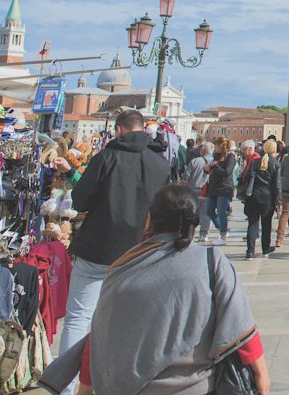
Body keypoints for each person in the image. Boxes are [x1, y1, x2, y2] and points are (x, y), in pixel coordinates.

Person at [42, 183, 270, 395]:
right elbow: (241, 329)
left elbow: (101, 338)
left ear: (149, 220)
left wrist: (84, 389)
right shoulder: (211, 262)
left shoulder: (120, 270)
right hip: (193, 386)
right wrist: (261, 378)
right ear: (194, 222)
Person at [57, 108, 176, 392]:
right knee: (131, 321)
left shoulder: (105, 157)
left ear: (119, 130)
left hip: (98, 248)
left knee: (78, 316)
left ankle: (67, 385)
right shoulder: (160, 164)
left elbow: (81, 201)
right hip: (140, 252)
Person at [241, 139, 281, 260]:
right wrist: (279, 201)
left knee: (252, 224)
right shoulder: (275, 164)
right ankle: (265, 248)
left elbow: (246, 176)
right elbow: (278, 184)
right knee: (266, 224)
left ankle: (250, 251)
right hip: (267, 198)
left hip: (253, 196)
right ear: (274, 150)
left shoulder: (255, 162)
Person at [199, 139, 237, 245]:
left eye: (216, 145)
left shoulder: (230, 157)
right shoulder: (216, 155)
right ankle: (222, 228)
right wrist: (208, 168)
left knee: (221, 212)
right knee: (209, 211)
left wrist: (216, 166)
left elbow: (227, 172)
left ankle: (223, 235)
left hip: (224, 187)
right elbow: (213, 168)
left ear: (221, 145)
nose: (215, 147)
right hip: (213, 187)